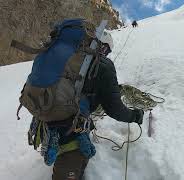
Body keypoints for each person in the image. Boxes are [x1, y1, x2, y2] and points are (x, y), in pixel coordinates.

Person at [48, 25, 144, 179]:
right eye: (107, 51)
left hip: (45, 114)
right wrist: (135, 116)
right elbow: (114, 108)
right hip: (70, 122)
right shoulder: (103, 65)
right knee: (72, 157)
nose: (107, 54)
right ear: (103, 46)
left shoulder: (67, 54)